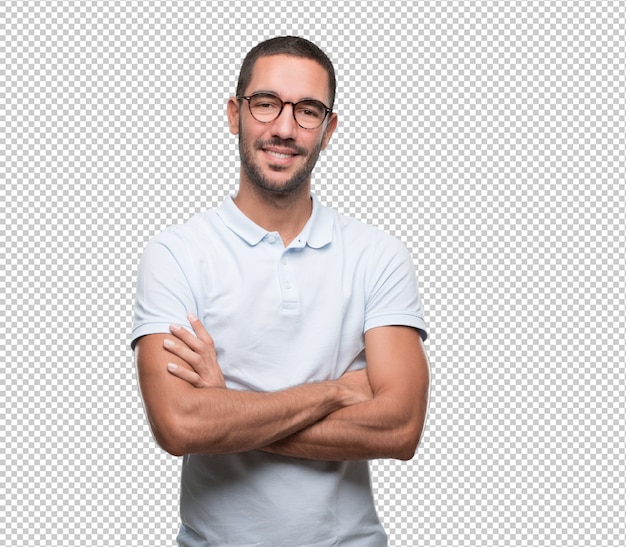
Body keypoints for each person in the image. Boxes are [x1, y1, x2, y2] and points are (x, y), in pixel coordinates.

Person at [131, 36, 430, 547]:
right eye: (267, 104)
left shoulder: (377, 255)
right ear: (235, 114)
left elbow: (399, 429)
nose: (285, 128)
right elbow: (179, 424)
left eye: (308, 110)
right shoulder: (176, 254)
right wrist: (336, 392)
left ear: (329, 129)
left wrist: (226, 410)